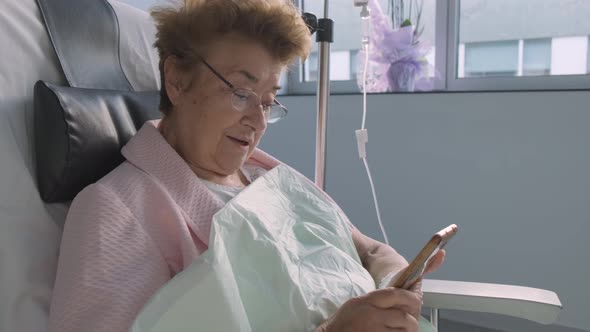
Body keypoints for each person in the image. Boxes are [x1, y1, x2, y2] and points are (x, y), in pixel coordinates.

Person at [48, 0, 444, 331]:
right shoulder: (118, 210)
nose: (257, 121)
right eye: (241, 92)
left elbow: (371, 250)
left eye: (269, 101)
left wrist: (399, 286)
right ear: (177, 80)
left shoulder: (268, 175)